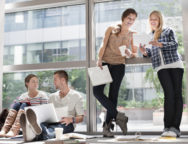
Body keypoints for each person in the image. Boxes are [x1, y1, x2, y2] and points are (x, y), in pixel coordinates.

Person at [93, 8, 138, 137]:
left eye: (133, 19)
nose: (131, 21)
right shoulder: (111, 28)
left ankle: (107, 129)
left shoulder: (132, 34)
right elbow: (103, 44)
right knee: (96, 91)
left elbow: (134, 53)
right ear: (123, 17)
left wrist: (130, 53)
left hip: (119, 66)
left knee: (113, 96)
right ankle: (119, 117)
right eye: (129, 18)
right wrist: (99, 59)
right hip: (105, 63)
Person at [139, 10, 184, 137]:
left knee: (176, 95)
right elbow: (149, 53)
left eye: (155, 19)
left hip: (175, 64)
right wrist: (144, 52)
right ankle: (167, 127)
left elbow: (175, 45)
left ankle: (175, 128)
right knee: (168, 95)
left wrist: (160, 43)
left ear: (160, 20)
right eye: (151, 19)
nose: (153, 21)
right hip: (161, 67)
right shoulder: (149, 36)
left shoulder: (168, 30)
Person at [20, 70, 84, 142]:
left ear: (63, 80)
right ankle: (34, 132)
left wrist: (71, 119)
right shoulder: (52, 96)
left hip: (66, 124)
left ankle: (31, 134)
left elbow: (81, 117)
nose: (53, 82)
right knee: (41, 124)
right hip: (50, 122)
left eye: (55, 79)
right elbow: (47, 112)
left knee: (52, 131)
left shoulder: (76, 96)